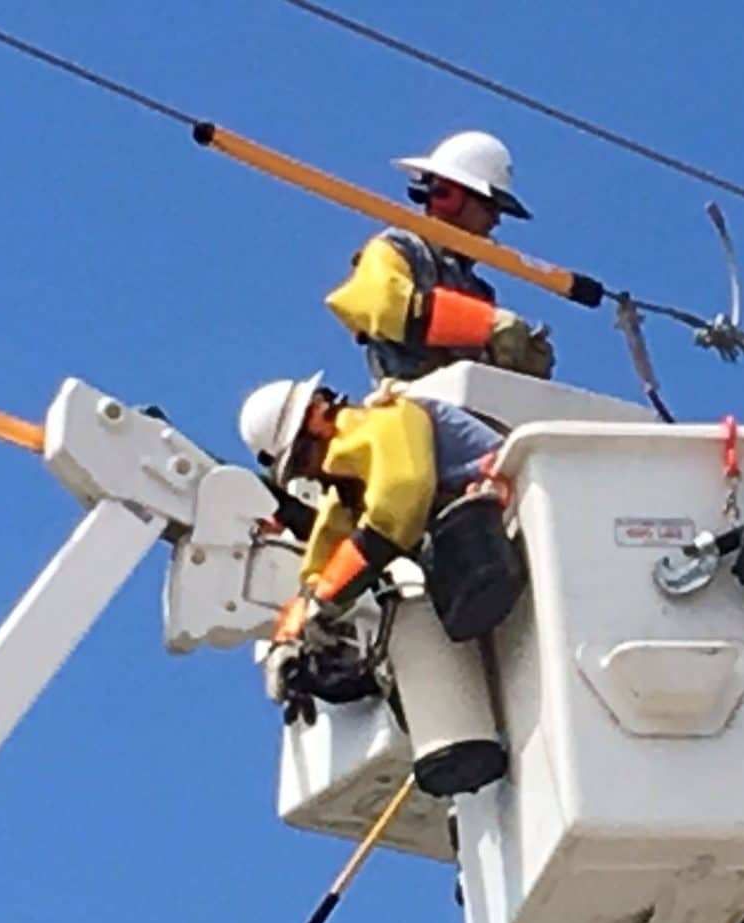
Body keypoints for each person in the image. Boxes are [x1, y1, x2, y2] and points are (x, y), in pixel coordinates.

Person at [238, 373, 508, 713]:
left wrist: (325, 600)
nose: (309, 474)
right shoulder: (349, 489)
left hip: (509, 512)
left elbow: (398, 506)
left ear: (318, 414)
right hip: (482, 541)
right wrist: (290, 638)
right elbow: (322, 561)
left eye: (302, 459)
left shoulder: (388, 421)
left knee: (422, 579)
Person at [323, 131, 555, 382]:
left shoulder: (477, 290)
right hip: (411, 403)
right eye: (490, 206)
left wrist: (518, 359)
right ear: (450, 197)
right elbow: (381, 304)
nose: (496, 220)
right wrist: (487, 326)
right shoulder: (399, 248)